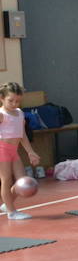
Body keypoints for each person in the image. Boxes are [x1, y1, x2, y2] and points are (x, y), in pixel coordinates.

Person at [1, 82, 42, 222]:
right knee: (6, 180)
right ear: (2, 98)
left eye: (17, 101)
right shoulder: (1, 114)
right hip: (2, 150)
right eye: (10, 100)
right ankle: (11, 212)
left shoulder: (20, 113)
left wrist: (31, 152)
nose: (14, 104)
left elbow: (22, 134)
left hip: (14, 151)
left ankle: (7, 204)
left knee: (21, 181)